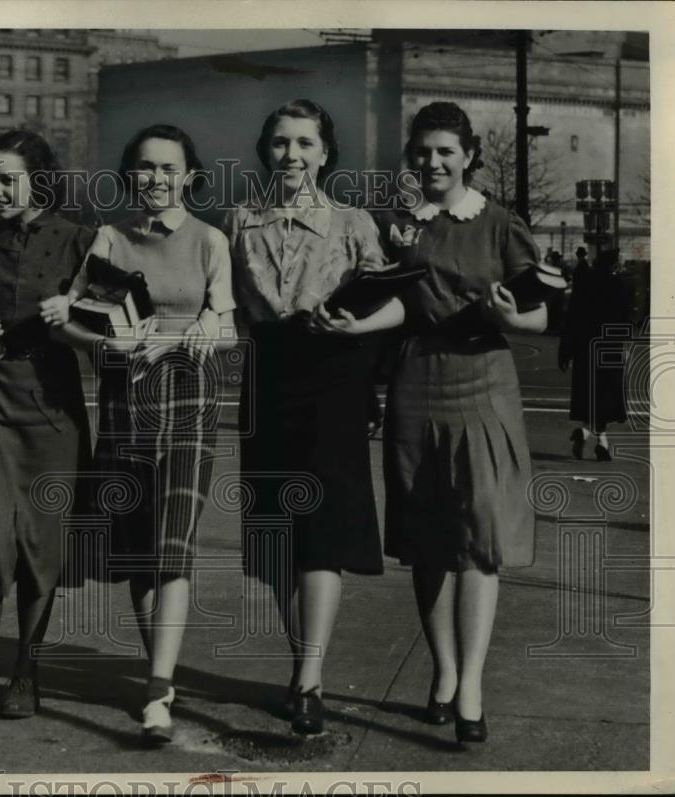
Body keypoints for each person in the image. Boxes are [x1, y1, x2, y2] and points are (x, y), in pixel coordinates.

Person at [225, 98, 401, 735]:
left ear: (325, 152)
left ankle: (310, 678)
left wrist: (358, 324)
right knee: (277, 532)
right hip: (268, 375)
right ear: (265, 150)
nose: (291, 155)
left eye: (304, 143)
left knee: (322, 528)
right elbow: (232, 308)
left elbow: (394, 303)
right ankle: (301, 663)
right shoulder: (240, 220)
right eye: (280, 143)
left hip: (333, 373)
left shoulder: (354, 223)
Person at [58, 124, 236, 742]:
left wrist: (203, 332)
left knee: (174, 541)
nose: (155, 179)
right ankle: (157, 670)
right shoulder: (108, 239)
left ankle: (158, 688)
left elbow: (227, 324)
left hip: (189, 398)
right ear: (128, 174)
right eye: (143, 167)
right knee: (137, 542)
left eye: (168, 168)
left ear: (190, 176)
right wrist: (112, 342)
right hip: (123, 398)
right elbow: (72, 323)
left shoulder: (211, 240)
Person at [379, 101, 546, 745]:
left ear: (470, 156)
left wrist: (511, 317)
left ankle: (472, 683)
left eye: (446, 150)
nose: (433, 162)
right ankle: (444, 673)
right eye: (422, 151)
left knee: (480, 536)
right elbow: (392, 303)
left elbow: (537, 315)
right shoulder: (397, 224)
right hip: (417, 381)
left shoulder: (501, 223)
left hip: (484, 383)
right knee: (427, 539)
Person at [0, 130, 94, 731]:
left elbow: (114, 320)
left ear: (40, 179)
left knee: (39, 544)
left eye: (8, 179)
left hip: (53, 410)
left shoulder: (80, 241)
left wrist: (72, 318)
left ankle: (25, 669)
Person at [559, 247, 628, 461]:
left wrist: (566, 350)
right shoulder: (617, 285)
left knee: (591, 396)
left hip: (585, 347)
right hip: (609, 348)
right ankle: (593, 437)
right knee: (606, 397)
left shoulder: (585, 283)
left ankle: (599, 441)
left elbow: (573, 318)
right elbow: (623, 318)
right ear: (614, 264)